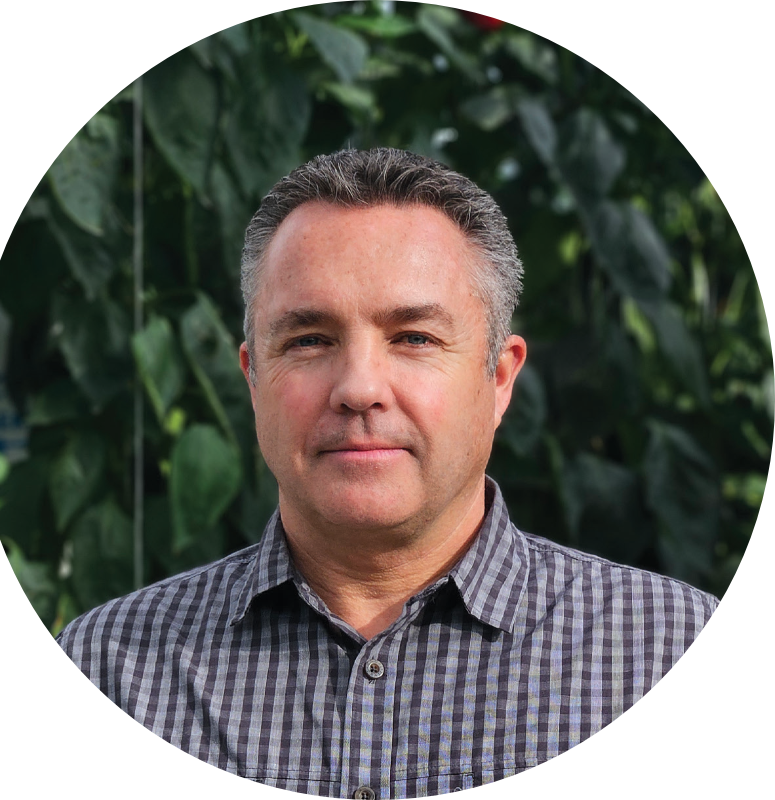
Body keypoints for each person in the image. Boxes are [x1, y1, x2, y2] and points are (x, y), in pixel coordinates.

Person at [57, 148, 718, 798]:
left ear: (499, 379)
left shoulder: (672, 657)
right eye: (309, 340)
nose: (359, 389)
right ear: (253, 379)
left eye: (414, 338)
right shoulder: (109, 675)